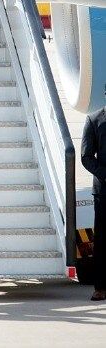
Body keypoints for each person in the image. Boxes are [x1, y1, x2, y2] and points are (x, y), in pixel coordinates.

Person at [81, 108, 106, 301]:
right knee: (102, 241)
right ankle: (100, 287)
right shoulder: (94, 120)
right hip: (104, 191)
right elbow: (86, 156)